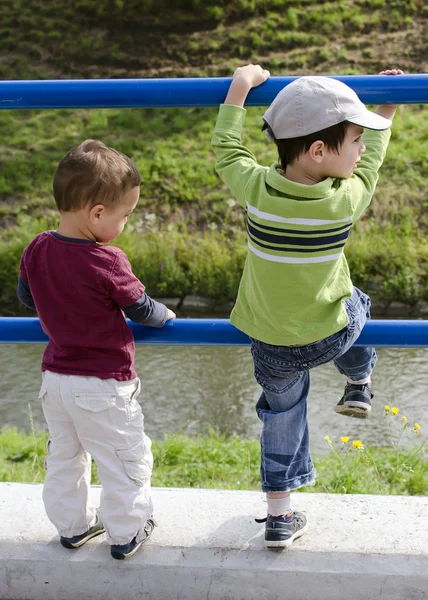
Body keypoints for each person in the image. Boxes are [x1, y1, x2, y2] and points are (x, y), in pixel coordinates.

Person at [212, 65, 403, 548]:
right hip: (331, 334)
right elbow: (372, 165)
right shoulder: (346, 201)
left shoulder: (254, 189)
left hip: (270, 339)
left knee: (282, 416)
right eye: (355, 139)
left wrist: (239, 87)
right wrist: (389, 105)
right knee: (355, 304)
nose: (361, 148)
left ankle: (279, 516)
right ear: (320, 151)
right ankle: (358, 382)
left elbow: (227, 149)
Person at [17, 139, 176, 560]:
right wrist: (166, 315)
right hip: (103, 384)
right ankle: (126, 532)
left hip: (55, 382)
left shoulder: (36, 247)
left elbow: (27, 298)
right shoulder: (107, 260)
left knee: (66, 460)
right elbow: (141, 309)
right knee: (125, 459)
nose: (125, 223)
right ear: (98, 213)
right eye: (125, 215)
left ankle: (72, 527)